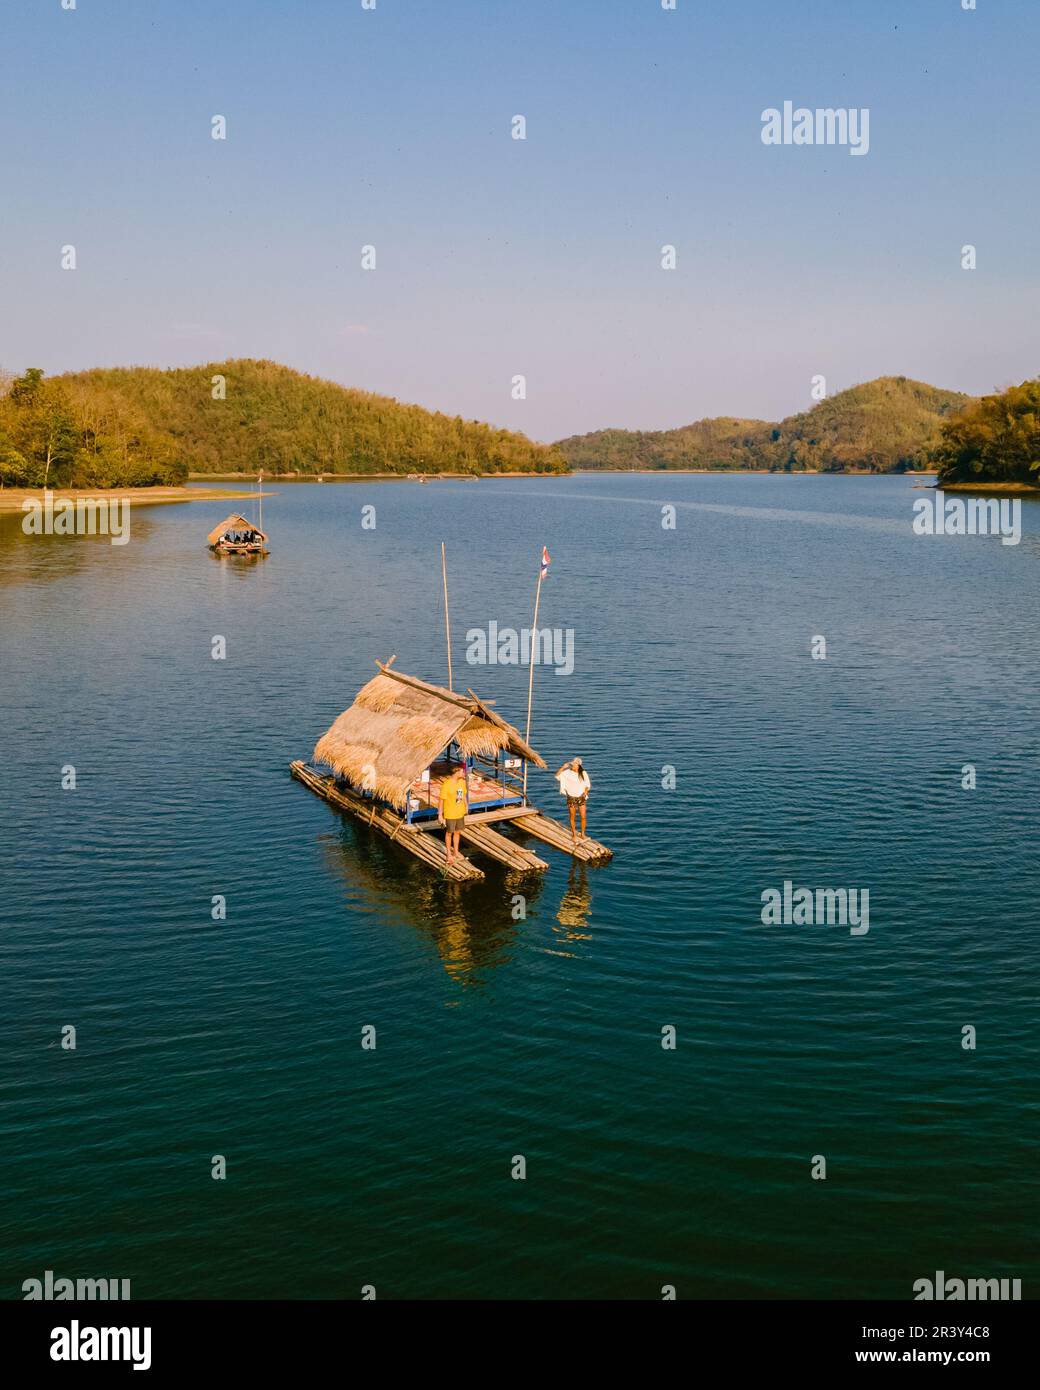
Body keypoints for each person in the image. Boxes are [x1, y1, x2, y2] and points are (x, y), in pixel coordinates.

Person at [555, 757, 591, 847]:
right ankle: (574, 835)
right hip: (571, 798)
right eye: (572, 763)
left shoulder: (583, 773)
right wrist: (563, 767)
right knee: (572, 817)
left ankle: (582, 834)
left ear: (578, 765)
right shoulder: (567, 773)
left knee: (583, 817)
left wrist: (585, 792)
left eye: (574, 764)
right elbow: (557, 776)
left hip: (581, 797)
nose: (572, 765)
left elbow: (587, 784)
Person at [440, 763, 469, 864]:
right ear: (456, 772)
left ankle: (456, 852)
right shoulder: (446, 784)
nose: (464, 773)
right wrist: (440, 815)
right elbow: (441, 800)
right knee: (449, 833)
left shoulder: (462, 782)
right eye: (462, 771)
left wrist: (466, 805)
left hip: (460, 812)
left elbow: (463, 794)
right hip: (450, 813)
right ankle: (448, 854)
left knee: (458, 832)